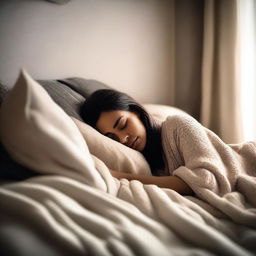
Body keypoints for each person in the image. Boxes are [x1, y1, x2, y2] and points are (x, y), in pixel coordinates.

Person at [80, 89, 194, 195]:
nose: (123, 139)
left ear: (135, 111)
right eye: (113, 137)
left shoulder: (179, 126)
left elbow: (200, 181)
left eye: (123, 125)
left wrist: (119, 176)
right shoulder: (144, 163)